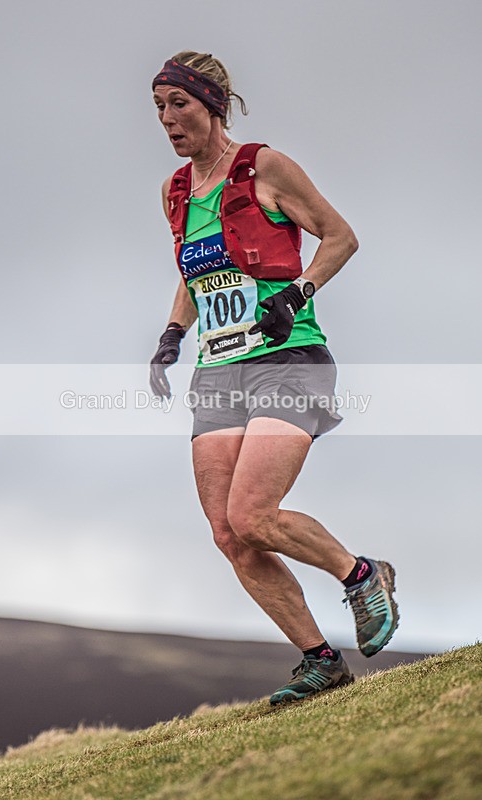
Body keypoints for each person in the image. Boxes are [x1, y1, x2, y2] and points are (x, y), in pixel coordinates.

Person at [150, 51, 399, 705]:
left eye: (180, 104)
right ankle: (321, 660)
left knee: (253, 513)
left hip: (289, 361)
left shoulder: (265, 166)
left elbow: (340, 235)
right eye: (159, 108)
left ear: (213, 106)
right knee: (228, 534)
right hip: (217, 372)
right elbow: (192, 272)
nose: (169, 120)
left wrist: (300, 293)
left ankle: (362, 574)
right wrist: (173, 333)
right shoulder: (176, 191)